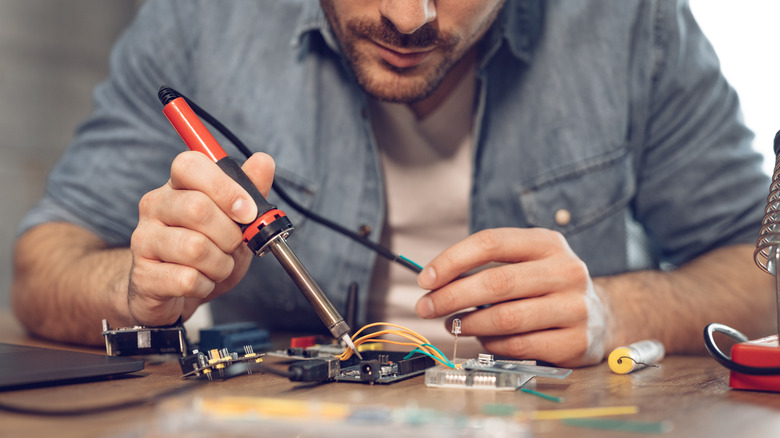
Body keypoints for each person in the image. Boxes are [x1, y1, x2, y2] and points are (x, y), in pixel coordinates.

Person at [12, 0, 775, 367]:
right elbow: (42, 268)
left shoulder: (632, 22)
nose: (407, 16)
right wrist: (138, 290)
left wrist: (617, 310)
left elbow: (763, 270)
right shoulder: (202, 19)